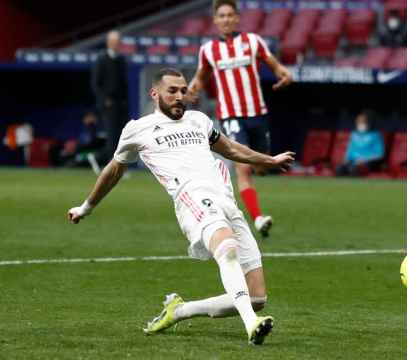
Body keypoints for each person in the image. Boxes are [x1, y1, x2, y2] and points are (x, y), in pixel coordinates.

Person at [67, 68, 295, 345]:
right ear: (155, 94)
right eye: (172, 91)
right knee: (227, 249)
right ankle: (251, 325)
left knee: (257, 296)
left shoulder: (198, 120)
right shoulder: (137, 130)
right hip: (191, 198)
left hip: (225, 199)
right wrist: (86, 206)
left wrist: (268, 160)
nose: (179, 97)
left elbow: (231, 149)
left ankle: (181, 310)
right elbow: (113, 171)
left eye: (183, 90)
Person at [186, 0, 293, 237]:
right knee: (242, 166)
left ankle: (259, 175)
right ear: (215, 20)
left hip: (258, 113)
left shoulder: (253, 42)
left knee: (261, 167)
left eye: (229, 15)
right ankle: (258, 218)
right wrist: (192, 89)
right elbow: (200, 77)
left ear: (237, 18)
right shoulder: (208, 50)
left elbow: (276, 66)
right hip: (230, 115)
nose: (225, 19)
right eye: (221, 16)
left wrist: (284, 75)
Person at [91, 30, 129, 164]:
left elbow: (124, 83)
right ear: (108, 43)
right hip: (108, 105)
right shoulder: (101, 59)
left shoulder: (121, 59)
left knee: (121, 136)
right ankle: (108, 162)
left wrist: (125, 102)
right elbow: (96, 83)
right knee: (111, 135)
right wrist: (104, 100)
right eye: (113, 42)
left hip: (121, 104)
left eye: (118, 42)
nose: (116, 44)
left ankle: (116, 164)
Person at [336, 112, 385, 176]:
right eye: (359, 123)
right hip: (353, 162)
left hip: (368, 163)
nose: (361, 125)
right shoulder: (354, 135)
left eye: (363, 122)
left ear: (368, 124)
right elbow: (349, 151)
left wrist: (364, 160)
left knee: (355, 170)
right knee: (340, 169)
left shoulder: (376, 135)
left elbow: (380, 154)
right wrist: (346, 160)